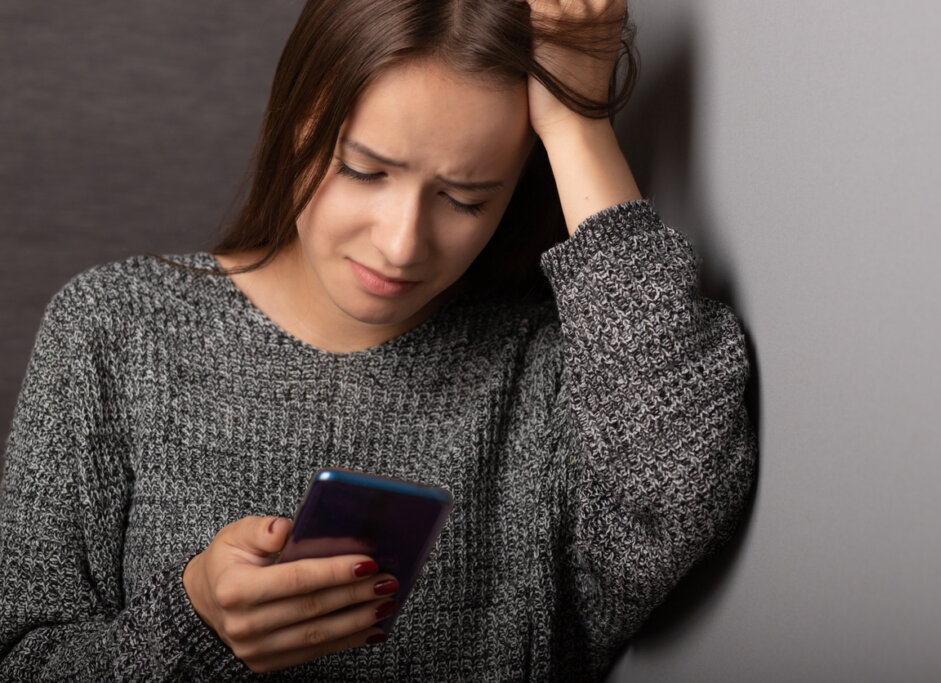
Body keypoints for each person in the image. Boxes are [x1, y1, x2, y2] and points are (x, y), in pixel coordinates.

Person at [0, 0, 756, 680]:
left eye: (465, 198)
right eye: (363, 171)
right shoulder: (115, 327)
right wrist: (192, 626)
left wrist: (577, 122)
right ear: (293, 120)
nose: (401, 246)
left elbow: (678, 491)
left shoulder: (556, 373)